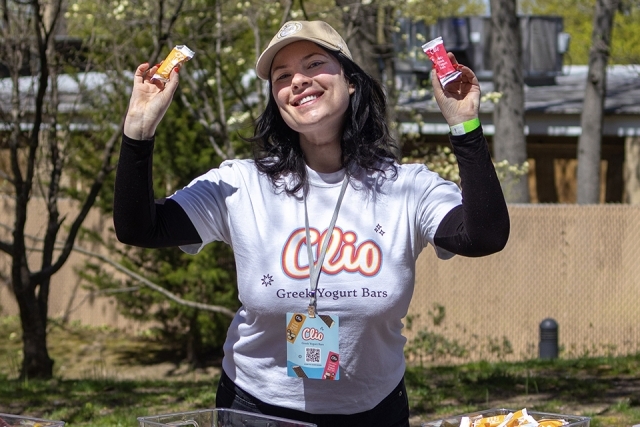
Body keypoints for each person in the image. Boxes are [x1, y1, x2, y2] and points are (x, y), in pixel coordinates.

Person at [114, 20, 509, 427]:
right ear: (276, 99)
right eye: (282, 76)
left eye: (314, 64)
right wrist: (139, 130)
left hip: (374, 413)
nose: (298, 81)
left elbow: (485, 236)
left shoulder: (407, 187)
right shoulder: (240, 184)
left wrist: (465, 126)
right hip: (255, 411)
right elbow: (140, 228)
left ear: (351, 82)